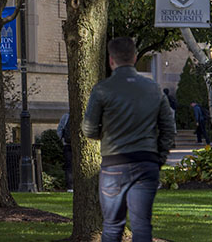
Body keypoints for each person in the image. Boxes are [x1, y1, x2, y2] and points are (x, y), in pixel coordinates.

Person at [81, 37, 176, 242]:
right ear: (134, 58)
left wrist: (105, 135)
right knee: (142, 225)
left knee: (112, 226)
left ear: (111, 60)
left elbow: (88, 129)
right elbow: (168, 128)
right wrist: (159, 156)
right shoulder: (153, 88)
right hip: (146, 161)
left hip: (114, 164)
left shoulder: (102, 89)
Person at [55, 113, 73, 192]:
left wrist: (62, 141)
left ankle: (70, 187)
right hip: (74, 146)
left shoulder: (66, 116)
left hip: (67, 145)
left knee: (69, 167)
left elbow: (59, 130)